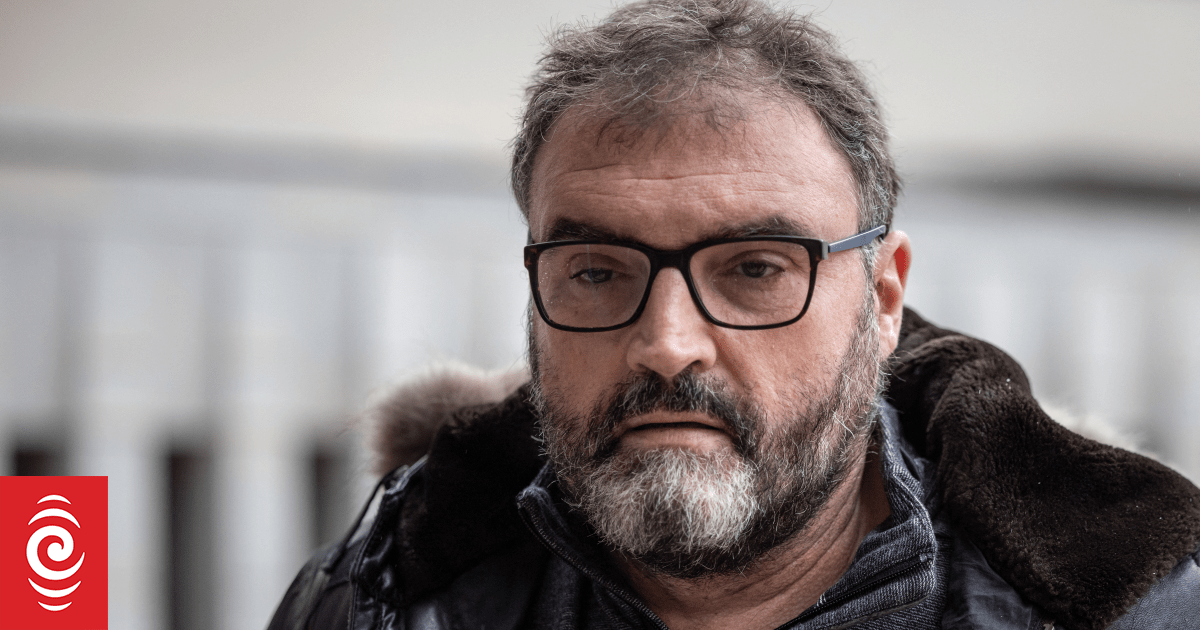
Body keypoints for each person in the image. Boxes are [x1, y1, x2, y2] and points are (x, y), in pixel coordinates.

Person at [268, 1, 1200, 628]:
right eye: (595, 271)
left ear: (882, 302)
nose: (667, 343)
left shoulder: (1140, 610)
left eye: (755, 269)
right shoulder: (375, 599)